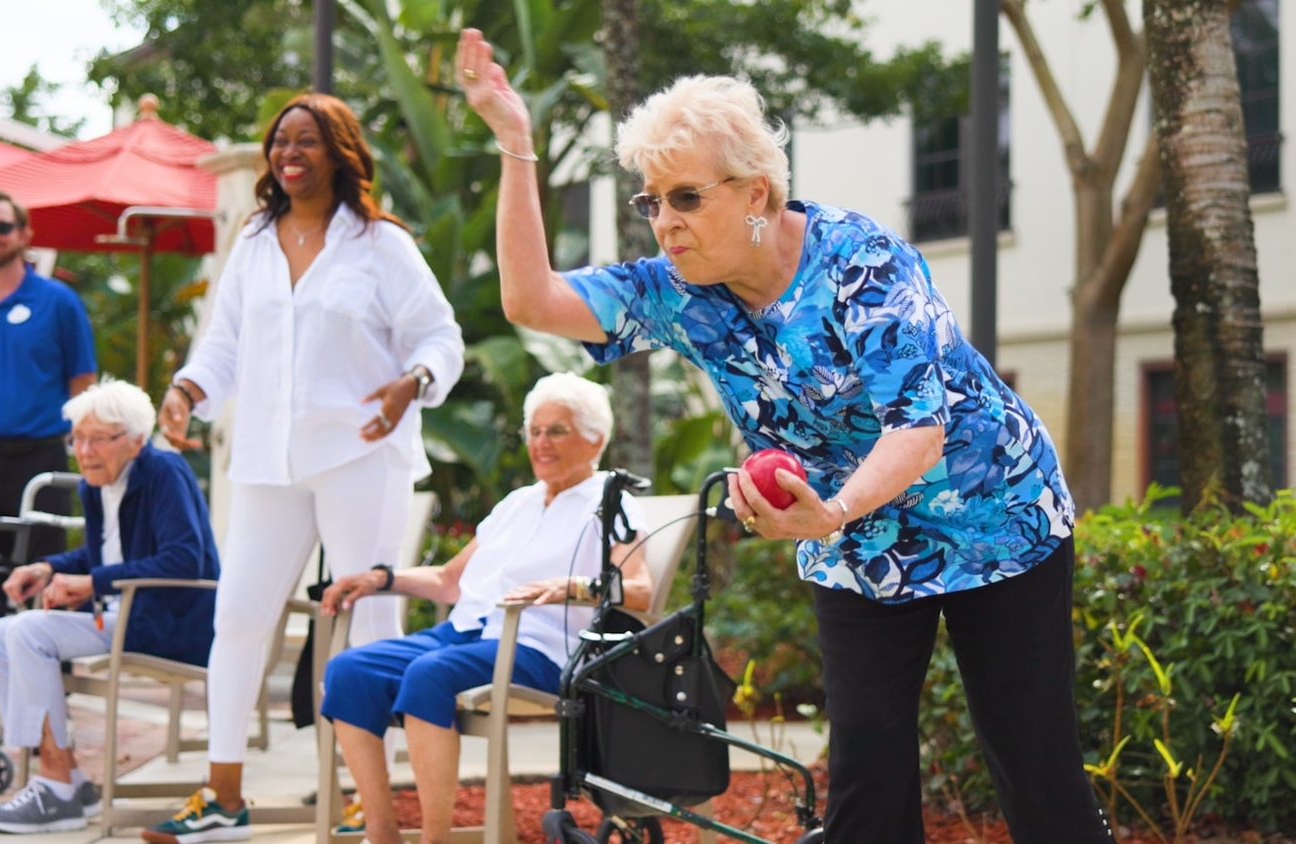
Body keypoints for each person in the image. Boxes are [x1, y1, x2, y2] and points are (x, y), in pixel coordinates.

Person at [456, 30, 1112, 844]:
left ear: (757, 195)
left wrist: (830, 512)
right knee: (867, 779)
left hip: (993, 518)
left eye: (686, 198)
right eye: (651, 201)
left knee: (1032, 762)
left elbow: (920, 426)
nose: (664, 223)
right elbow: (533, 302)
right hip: (853, 535)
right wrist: (515, 146)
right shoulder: (679, 294)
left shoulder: (860, 263)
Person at [145, 92, 464, 843]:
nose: (289, 153)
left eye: (307, 140)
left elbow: (440, 338)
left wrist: (410, 383)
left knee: (370, 621)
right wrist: (188, 390)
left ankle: (368, 799)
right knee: (238, 619)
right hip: (264, 459)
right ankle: (222, 795)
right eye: (280, 141)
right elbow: (221, 345)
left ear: (340, 152)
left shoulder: (382, 245)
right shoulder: (254, 243)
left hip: (359, 452)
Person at [320, 372, 652, 844]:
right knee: (348, 671)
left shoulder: (609, 503)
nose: (541, 443)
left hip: (537, 649)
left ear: (595, 438)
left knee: (428, 675)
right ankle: (382, 833)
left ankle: (436, 839)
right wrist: (381, 578)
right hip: (467, 635)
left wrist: (572, 586)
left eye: (556, 430)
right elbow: (449, 581)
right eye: (534, 431)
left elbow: (639, 589)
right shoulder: (518, 503)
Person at [0, 380, 219, 834]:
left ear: (137, 440)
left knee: (28, 633)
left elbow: (185, 557)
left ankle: (58, 787)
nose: (84, 451)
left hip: (170, 625)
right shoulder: (97, 485)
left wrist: (90, 583)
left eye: (97, 440)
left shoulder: (164, 472)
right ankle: (65, 775)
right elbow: (105, 555)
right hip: (123, 616)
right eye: (77, 439)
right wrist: (48, 568)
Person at [0, 189, 99, 750]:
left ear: (24, 233)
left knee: (43, 576)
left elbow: (83, 384)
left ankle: (46, 708)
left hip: (41, 459)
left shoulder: (58, 302)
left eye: (2, 226)